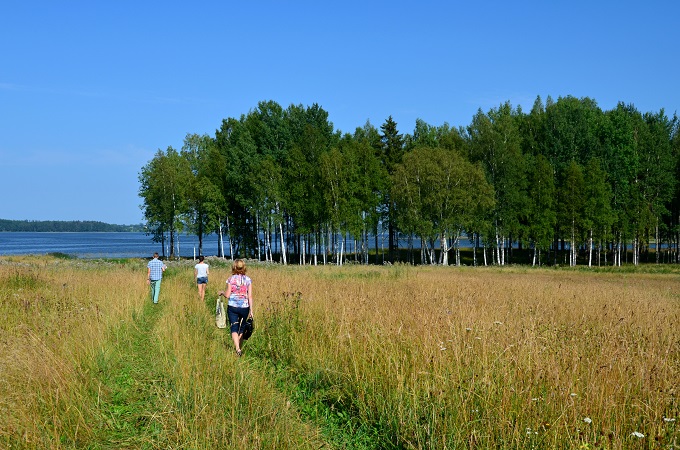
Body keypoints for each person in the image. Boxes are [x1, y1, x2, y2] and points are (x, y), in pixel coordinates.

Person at [218, 259, 253, 356]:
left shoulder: (231, 279)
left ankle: (237, 349)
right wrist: (251, 310)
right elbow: (250, 296)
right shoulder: (248, 280)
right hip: (245, 307)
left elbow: (228, 295)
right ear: (244, 267)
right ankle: (239, 349)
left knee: (234, 326)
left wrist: (222, 292)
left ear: (234, 267)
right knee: (241, 329)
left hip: (233, 306)